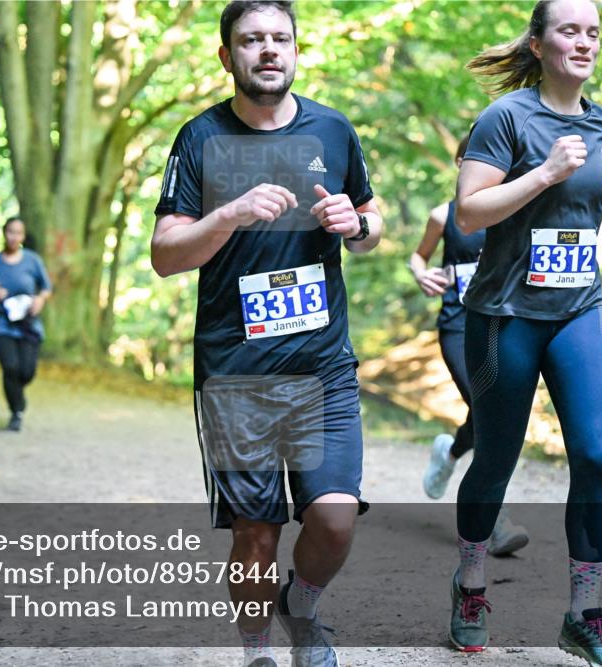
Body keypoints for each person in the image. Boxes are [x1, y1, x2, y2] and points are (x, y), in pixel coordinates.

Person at [151, 3, 382, 666]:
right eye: (252, 40)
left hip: (322, 368)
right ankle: (256, 650)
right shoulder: (199, 139)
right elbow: (166, 254)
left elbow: (373, 219)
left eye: (279, 38)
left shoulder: (332, 131)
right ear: (229, 57)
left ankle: (301, 606)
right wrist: (228, 213)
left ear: (296, 49)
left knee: (335, 520)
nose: (268, 50)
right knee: (256, 532)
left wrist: (357, 225)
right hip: (235, 374)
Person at [448, 1, 602, 664]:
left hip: (577, 306)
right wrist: (545, 172)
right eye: (569, 29)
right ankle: (471, 582)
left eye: (593, 31)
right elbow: (471, 211)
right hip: (505, 313)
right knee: (497, 458)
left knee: (594, 454)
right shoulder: (505, 117)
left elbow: (578, 199)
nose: (584, 41)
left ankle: (584, 612)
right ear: (538, 44)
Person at [411, 136, 529, 557]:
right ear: (461, 162)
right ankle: (496, 522)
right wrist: (421, 274)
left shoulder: (515, 208)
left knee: (492, 411)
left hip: (503, 322)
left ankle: (450, 452)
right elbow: (419, 257)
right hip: (458, 325)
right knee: (489, 410)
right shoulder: (442, 215)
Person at [0, 217, 51, 432]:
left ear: (23, 236)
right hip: (0, 323)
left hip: (28, 323)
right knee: (11, 367)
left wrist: (40, 300)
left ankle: (17, 392)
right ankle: (16, 411)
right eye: (10, 232)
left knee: (26, 371)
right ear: (3, 233)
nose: (14, 237)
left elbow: (46, 288)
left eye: (18, 233)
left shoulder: (33, 261)